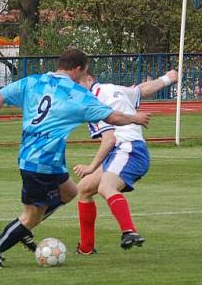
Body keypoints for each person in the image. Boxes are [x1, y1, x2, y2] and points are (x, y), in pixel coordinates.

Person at [0, 47, 151, 269]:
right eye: (84, 72)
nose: (84, 76)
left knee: (71, 192)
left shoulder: (34, 81)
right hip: (40, 163)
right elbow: (113, 116)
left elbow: (1, 95)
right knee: (30, 216)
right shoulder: (77, 94)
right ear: (77, 69)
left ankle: (23, 230)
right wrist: (135, 118)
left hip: (42, 158)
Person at [72, 70, 178, 254]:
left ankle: (129, 231)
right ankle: (86, 247)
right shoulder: (112, 89)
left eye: (77, 84)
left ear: (89, 78)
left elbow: (109, 140)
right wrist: (167, 78)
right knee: (84, 189)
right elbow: (141, 90)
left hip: (128, 150)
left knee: (106, 188)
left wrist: (91, 167)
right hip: (120, 151)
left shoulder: (93, 102)